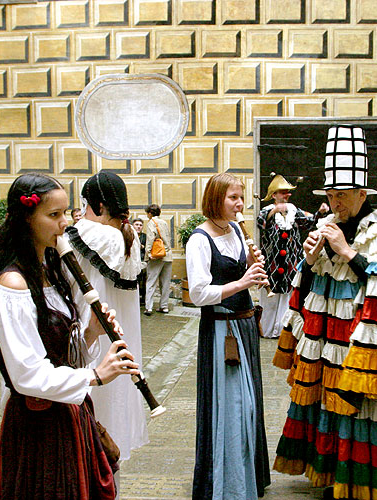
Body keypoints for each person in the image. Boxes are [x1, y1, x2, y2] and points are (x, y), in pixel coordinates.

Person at [272, 125, 377, 500]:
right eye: (331, 195)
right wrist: (312, 257)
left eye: (343, 195)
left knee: (370, 411)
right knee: (329, 402)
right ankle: (336, 472)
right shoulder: (329, 224)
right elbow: (311, 284)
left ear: (362, 193)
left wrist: (348, 251)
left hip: (367, 342)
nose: (336, 203)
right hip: (330, 338)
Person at [0, 173, 137, 499]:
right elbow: (27, 375)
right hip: (37, 425)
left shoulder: (51, 271)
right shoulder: (12, 285)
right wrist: (95, 376)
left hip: (67, 414)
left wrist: (91, 332)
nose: (65, 223)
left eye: (66, 213)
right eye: (54, 215)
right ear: (25, 219)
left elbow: (62, 354)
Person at [186, 172, 271, 500]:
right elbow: (197, 293)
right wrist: (243, 282)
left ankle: (249, 475)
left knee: (250, 405)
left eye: (241, 197)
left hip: (245, 326)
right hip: (222, 331)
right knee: (231, 406)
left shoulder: (236, 229)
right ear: (215, 199)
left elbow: (241, 269)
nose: (239, 204)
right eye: (232, 198)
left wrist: (251, 263)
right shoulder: (199, 239)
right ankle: (225, 484)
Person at [65, 171, 149, 466]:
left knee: (83, 424)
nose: (84, 212)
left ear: (100, 206)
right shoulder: (130, 236)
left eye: (87, 205)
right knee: (108, 430)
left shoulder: (88, 232)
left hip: (88, 340)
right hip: (118, 343)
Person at [256, 174, 325, 339]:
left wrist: (320, 213)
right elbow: (261, 223)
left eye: (288, 192)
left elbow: (308, 222)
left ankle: (283, 331)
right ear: (274, 195)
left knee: (287, 298)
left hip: (290, 265)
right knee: (269, 298)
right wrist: (274, 210)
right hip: (271, 265)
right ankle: (266, 330)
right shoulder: (266, 211)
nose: (287, 195)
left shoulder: (294, 210)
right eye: (283, 192)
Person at [144, 204, 172, 315]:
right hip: (167, 255)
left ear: (150, 213)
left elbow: (150, 238)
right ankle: (164, 306)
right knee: (165, 283)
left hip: (156, 255)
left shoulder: (151, 223)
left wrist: (148, 252)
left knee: (151, 281)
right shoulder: (164, 222)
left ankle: (149, 307)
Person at [132, 218, 148, 309]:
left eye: (140, 225)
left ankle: (143, 298)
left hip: (142, 261)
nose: (138, 227)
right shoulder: (130, 235)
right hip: (132, 261)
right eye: (136, 225)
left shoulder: (144, 237)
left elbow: (148, 248)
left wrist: (142, 246)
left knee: (143, 280)